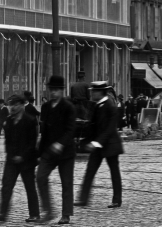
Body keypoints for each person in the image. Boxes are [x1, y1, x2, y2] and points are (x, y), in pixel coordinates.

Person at [0, 94, 40, 223]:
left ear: (22, 106)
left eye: (16, 104)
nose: (13, 107)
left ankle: (34, 214)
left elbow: (31, 143)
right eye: (12, 104)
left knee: (30, 187)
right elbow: (9, 142)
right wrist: (11, 156)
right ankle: (2, 213)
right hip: (11, 160)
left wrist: (22, 156)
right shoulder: (9, 121)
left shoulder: (30, 120)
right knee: (6, 186)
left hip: (27, 161)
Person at [75, 82, 124, 212]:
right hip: (98, 145)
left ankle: (117, 199)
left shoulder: (110, 105)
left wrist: (96, 143)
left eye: (94, 92)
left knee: (114, 173)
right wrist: (85, 141)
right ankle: (83, 198)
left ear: (100, 92)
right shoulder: (97, 105)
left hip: (110, 145)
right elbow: (93, 127)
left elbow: (109, 129)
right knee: (90, 170)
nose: (91, 94)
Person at [37, 75, 76, 225]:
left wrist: (61, 143)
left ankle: (66, 214)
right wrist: (40, 153)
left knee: (66, 183)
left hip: (65, 152)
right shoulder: (46, 107)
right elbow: (44, 131)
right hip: (49, 151)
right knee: (40, 177)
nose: (53, 93)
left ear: (61, 90)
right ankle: (48, 210)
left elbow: (71, 130)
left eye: (56, 90)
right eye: (51, 90)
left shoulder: (68, 107)